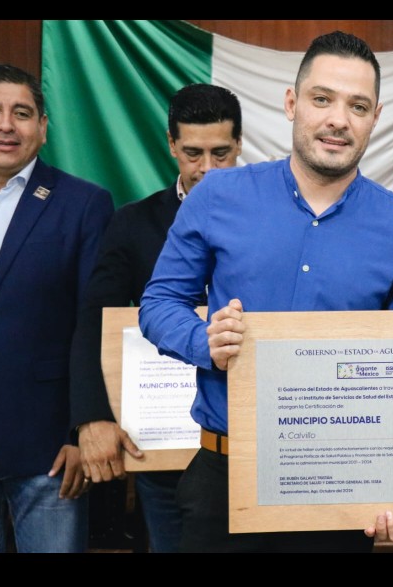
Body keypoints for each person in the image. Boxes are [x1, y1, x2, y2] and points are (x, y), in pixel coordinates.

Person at [139, 31, 393, 552]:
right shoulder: (217, 196)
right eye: (322, 99)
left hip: (345, 487)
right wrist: (203, 340)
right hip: (225, 477)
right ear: (292, 103)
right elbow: (159, 303)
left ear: (376, 117)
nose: (338, 119)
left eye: (357, 106)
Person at [69, 84, 243, 553]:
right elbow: (94, 321)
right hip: (163, 448)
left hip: (249, 442)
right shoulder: (133, 223)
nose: (207, 169)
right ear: (171, 145)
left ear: (239, 144)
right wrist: (92, 417)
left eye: (221, 153)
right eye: (192, 153)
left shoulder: (272, 218)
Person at [0, 64, 114, 553]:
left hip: (49, 444)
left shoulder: (84, 203)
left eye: (22, 113)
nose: (6, 125)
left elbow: (94, 323)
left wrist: (82, 429)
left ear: (44, 126)